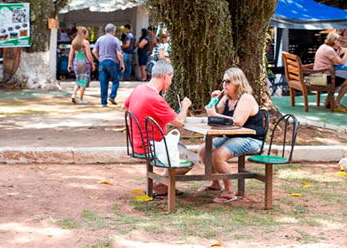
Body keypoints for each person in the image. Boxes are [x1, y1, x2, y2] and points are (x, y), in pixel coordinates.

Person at [123, 60, 196, 196]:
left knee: (180, 147)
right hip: (152, 145)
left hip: (137, 142)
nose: (170, 82)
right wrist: (185, 106)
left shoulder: (139, 89)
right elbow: (179, 122)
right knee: (193, 159)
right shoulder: (155, 98)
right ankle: (161, 186)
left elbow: (125, 106)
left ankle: (162, 185)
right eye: (171, 78)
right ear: (166, 76)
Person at [199, 67, 266, 203]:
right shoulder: (227, 98)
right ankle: (216, 183)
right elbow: (218, 116)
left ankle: (230, 190)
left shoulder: (246, 98)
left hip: (250, 138)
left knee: (218, 155)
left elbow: (238, 122)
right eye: (223, 81)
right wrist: (213, 102)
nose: (225, 84)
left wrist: (214, 114)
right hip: (232, 136)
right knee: (203, 150)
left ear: (238, 82)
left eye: (228, 81)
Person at [313, 31, 347, 112]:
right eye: (339, 41)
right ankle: (337, 102)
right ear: (334, 41)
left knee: (336, 81)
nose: (340, 43)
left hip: (316, 76)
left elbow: (335, 59)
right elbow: (342, 62)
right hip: (322, 77)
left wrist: (339, 50)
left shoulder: (324, 47)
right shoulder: (329, 50)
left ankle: (327, 101)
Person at [92, 23, 125, 107]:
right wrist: (122, 64)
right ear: (113, 31)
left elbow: (94, 51)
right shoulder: (115, 40)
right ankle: (112, 96)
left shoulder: (100, 39)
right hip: (112, 62)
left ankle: (103, 102)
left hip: (102, 62)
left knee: (103, 83)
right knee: (115, 80)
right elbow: (119, 53)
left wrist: (99, 58)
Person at [67, 26, 95, 104]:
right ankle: (81, 99)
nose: (87, 36)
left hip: (76, 62)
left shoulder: (74, 42)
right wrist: (92, 64)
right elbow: (89, 55)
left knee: (78, 79)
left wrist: (69, 64)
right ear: (84, 34)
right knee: (83, 80)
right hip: (84, 62)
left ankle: (73, 95)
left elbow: (71, 54)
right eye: (87, 34)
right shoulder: (85, 42)